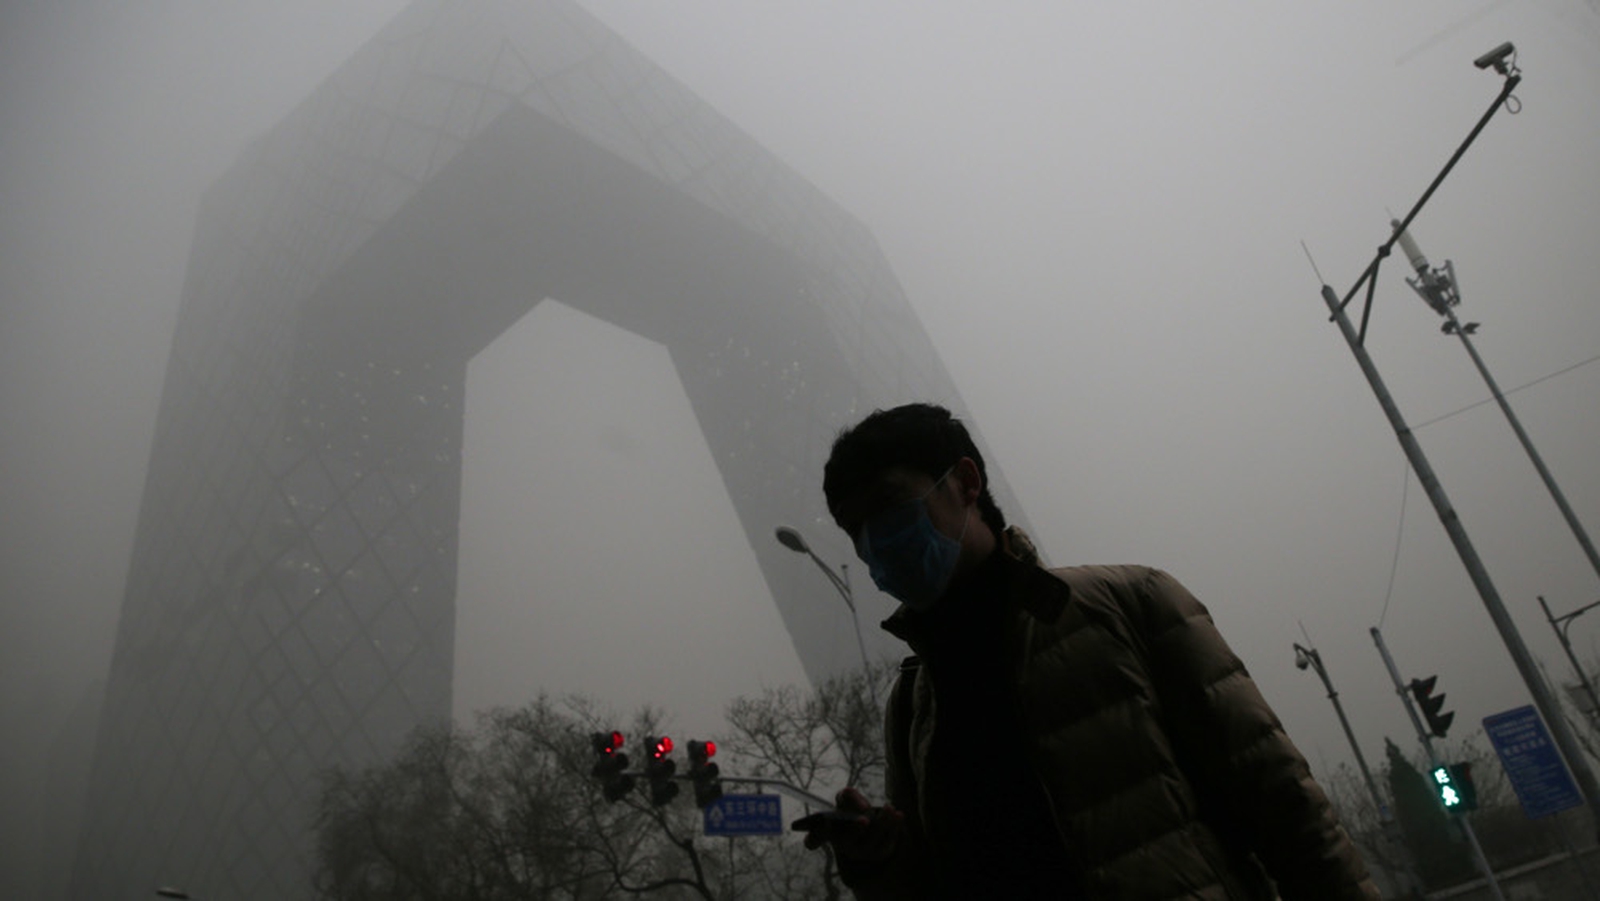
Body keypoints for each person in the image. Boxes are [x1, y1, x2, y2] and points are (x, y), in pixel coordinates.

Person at [799, 402, 1378, 899]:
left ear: (966, 483)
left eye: (890, 509)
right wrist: (877, 858)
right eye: (858, 533)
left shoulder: (1132, 606)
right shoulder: (910, 708)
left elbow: (1287, 815)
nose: (878, 546)